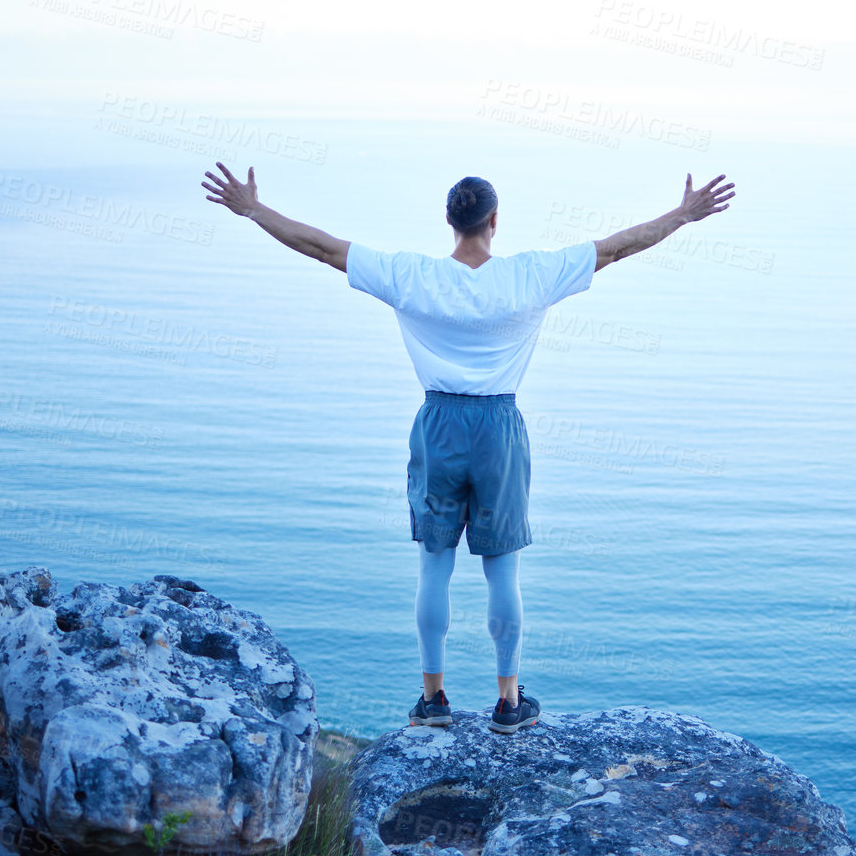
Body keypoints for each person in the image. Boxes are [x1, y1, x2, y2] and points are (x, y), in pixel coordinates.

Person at [201, 163, 736, 733]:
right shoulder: (531, 276)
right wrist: (683, 215)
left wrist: (254, 210)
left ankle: (434, 700)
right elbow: (615, 249)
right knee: (502, 571)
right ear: (495, 221)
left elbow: (322, 248)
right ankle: (508, 703)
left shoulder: (412, 276)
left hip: (438, 423)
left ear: (450, 222)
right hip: (499, 425)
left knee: (434, 564)